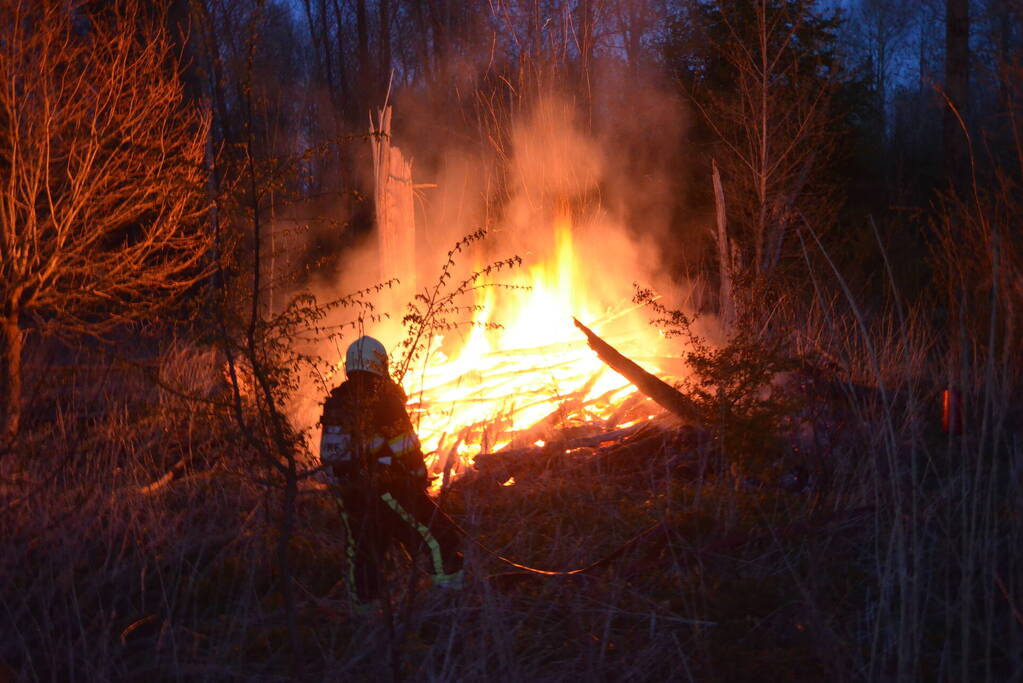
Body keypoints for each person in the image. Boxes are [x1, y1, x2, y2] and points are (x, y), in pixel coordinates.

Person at [320, 336, 463, 610]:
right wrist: (418, 477)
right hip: (387, 488)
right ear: (380, 363)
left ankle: (366, 617)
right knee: (437, 536)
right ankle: (450, 603)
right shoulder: (383, 397)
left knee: (364, 552)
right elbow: (405, 446)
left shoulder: (337, 401)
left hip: (347, 493)